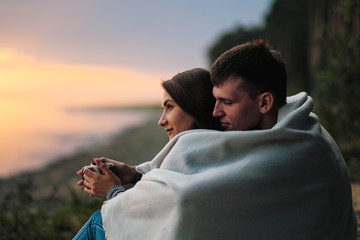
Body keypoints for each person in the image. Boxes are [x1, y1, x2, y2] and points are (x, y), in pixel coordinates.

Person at [81, 40, 358, 240]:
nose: (215, 112)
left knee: (100, 225)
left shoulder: (293, 152)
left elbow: (190, 201)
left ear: (264, 102)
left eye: (226, 102)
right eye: (214, 100)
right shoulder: (296, 134)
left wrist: (115, 195)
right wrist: (136, 174)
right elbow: (207, 181)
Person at [73, 67, 222, 239]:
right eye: (162, 109)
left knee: (98, 222)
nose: (161, 121)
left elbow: (156, 221)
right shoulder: (215, 152)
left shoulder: (196, 159)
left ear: (195, 106)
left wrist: (112, 192)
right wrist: (133, 174)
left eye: (170, 107)